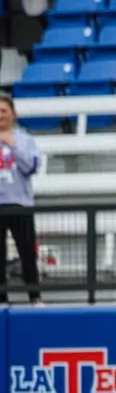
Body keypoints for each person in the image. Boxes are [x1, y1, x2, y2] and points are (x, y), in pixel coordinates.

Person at [0, 95, 42, 303]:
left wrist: (13, 146)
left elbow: (31, 167)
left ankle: (34, 297)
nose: (0, 116)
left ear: (13, 114)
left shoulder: (25, 139)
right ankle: (1, 299)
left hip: (20, 204)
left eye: (4, 111)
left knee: (27, 253)